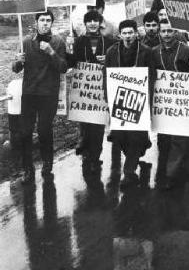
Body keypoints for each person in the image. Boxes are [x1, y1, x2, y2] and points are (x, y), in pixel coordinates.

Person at [12, 11, 68, 184]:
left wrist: (51, 51)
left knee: (44, 130)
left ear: (52, 23)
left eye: (48, 20)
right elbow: (15, 69)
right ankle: (28, 168)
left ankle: (47, 163)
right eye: (42, 20)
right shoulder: (27, 42)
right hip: (29, 92)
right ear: (36, 22)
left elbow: (63, 67)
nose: (45, 23)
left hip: (48, 93)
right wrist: (18, 61)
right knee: (25, 132)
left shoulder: (58, 42)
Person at [104, 19, 155, 189]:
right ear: (120, 35)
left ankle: (129, 171)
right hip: (119, 100)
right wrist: (107, 97)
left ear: (136, 34)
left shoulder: (146, 52)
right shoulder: (112, 52)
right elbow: (106, 75)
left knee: (134, 136)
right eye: (124, 33)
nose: (128, 36)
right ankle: (139, 150)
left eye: (130, 33)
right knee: (120, 137)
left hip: (139, 100)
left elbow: (152, 76)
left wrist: (148, 98)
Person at [66, 10, 115, 175]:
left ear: (100, 22)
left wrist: (107, 60)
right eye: (89, 21)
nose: (93, 23)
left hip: (101, 88)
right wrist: (68, 50)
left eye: (95, 20)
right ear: (85, 24)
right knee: (85, 124)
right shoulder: (78, 41)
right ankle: (87, 153)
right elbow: (71, 62)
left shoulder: (109, 42)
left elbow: (117, 61)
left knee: (98, 125)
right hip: (83, 88)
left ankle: (95, 157)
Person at [151, 20, 189, 189]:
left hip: (181, 101)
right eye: (163, 31)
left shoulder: (186, 49)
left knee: (180, 138)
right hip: (163, 102)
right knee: (163, 139)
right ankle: (164, 170)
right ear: (159, 33)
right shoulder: (154, 52)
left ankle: (172, 173)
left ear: (175, 32)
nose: (167, 35)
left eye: (170, 31)